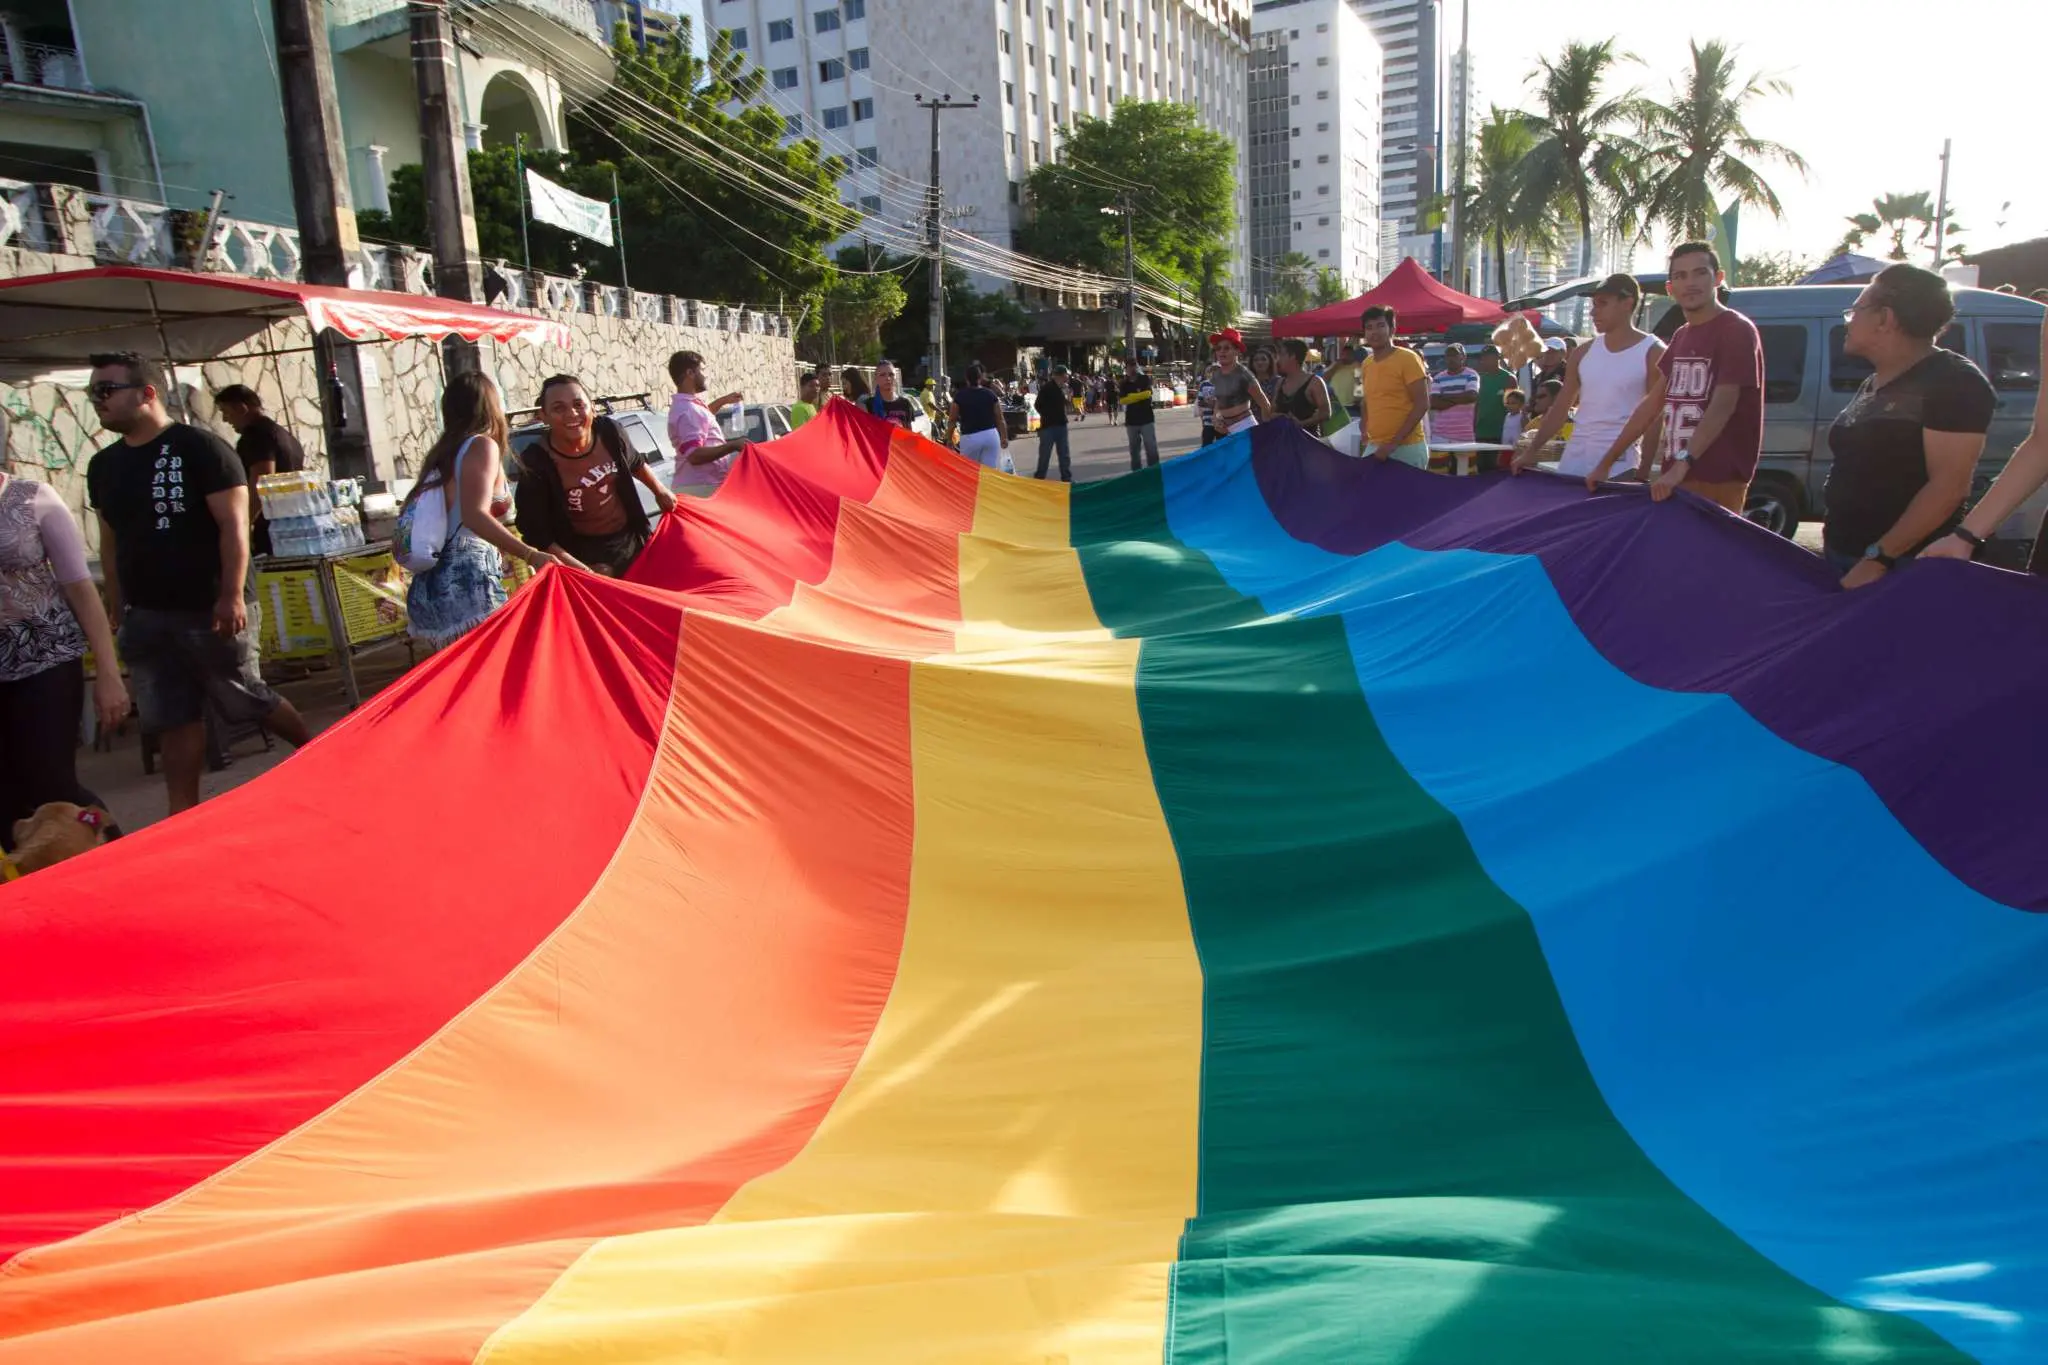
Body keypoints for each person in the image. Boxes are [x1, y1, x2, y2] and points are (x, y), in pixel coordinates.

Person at [84, 350, 311, 816]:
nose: (98, 401)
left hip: (208, 606)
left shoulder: (201, 449)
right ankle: (181, 812)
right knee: (171, 715)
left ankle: (318, 755)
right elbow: (110, 539)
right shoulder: (104, 465)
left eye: (106, 391)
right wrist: (116, 600)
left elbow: (234, 526)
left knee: (247, 694)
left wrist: (231, 594)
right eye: (93, 393)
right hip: (145, 613)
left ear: (147, 394)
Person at [1819, 263, 1994, 589]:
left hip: (1900, 569)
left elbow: (1948, 488)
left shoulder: (1954, 382)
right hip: (1845, 554)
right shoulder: (1876, 379)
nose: (1848, 320)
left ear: (1885, 319)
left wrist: (1879, 558)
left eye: (1855, 310)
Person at [0, 414, 127, 850]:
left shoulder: (31, 498)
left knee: (51, 786)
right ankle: (29, 892)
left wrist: (108, 673)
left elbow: (80, 588)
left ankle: (114, 848)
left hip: (46, 660)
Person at [1603, 242, 1765, 512]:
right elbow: (1652, 404)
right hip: (1676, 478)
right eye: (1680, 276)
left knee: (1709, 554)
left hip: (1718, 478)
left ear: (1718, 278)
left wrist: (1682, 464)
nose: (1690, 283)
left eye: (1700, 273)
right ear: (1670, 288)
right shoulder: (1681, 335)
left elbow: (1724, 404)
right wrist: (1605, 462)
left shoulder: (1736, 329)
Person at [405, 372, 558, 651]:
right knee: (493, 674)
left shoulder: (444, 454)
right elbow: (474, 515)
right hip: (467, 582)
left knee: (464, 679)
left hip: (431, 586)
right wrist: (530, 554)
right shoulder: (481, 446)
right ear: (492, 405)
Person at [1515, 273, 1664, 489]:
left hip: (1620, 468)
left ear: (1627, 303)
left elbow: (1655, 418)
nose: (1594, 312)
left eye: (1603, 304)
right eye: (1594, 304)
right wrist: (1531, 452)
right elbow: (1560, 408)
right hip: (1574, 462)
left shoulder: (1653, 352)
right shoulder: (1582, 353)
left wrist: (1643, 472)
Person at [516, 375, 674, 578]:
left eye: (578, 404)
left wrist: (660, 491)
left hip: (631, 541)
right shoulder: (536, 462)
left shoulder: (609, 432)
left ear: (592, 407)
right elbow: (535, 533)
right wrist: (584, 572)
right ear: (543, 416)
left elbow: (635, 462)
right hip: (581, 555)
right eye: (558, 408)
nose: (571, 414)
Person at [212, 384, 305, 556]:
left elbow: (262, 483)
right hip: (294, 525)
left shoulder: (256, 436)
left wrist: (244, 524)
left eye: (226, 412)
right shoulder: (282, 434)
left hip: (271, 529)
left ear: (241, 408)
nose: (225, 419)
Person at [1356, 306, 1431, 466]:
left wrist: (1392, 444)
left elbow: (1422, 404)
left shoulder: (1408, 359)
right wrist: (1364, 429)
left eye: (1380, 325)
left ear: (1392, 329)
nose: (1374, 332)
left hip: (1407, 449)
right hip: (1375, 447)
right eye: (1369, 327)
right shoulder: (1366, 364)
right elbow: (1366, 400)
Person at [667, 350, 749, 494]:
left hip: (702, 485)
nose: (705, 376)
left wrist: (724, 400)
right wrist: (733, 445)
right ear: (690, 373)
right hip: (701, 487)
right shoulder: (688, 410)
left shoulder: (689, 406)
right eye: (702, 370)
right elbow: (694, 455)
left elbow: (703, 419)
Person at [1208, 328, 1273, 435]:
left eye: (1226, 348)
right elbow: (1219, 401)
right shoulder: (1217, 375)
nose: (1221, 351)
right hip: (1227, 431)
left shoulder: (1244, 375)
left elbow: (1265, 405)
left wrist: (1266, 432)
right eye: (1218, 348)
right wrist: (1216, 419)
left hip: (1246, 427)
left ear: (1237, 351)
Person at [952, 362, 1012, 471]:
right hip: (990, 436)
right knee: (990, 472)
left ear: (966, 378)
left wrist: (948, 438)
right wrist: (1004, 436)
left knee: (969, 471)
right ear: (980, 378)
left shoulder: (960, 396)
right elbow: (1000, 418)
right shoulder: (990, 394)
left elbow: (952, 419)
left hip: (970, 438)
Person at [1271, 338, 1333, 435]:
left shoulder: (1315, 382)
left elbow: (1326, 413)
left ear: (1292, 356)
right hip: (1283, 441)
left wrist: (1301, 424)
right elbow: (1272, 412)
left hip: (1307, 442)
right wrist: (1281, 416)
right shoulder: (1280, 382)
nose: (1278, 359)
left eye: (1282, 354)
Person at [1428, 343, 1481, 446]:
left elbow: (1472, 396)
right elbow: (1434, 403)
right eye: (1448, 355)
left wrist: (1444, 397)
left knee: (1466, 462)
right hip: (1440, 435)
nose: (1451, 358)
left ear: (1463, 357)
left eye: (1455, 355)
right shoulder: (1438, 377)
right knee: (1440, 462)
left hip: (1464, 435)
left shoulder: (1471, 374)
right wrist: (1462, 397)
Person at [1120, 358, 1161, 469]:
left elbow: (1148, 394)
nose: (1132, 368)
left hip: (1146, 419)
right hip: (1131, 421)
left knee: (1151, 448)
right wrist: (1139, 396)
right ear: (1126, 368)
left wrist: (1131, 397)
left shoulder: (1144, 379)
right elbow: (1122, 400)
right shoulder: (1124, 383)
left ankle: (1154, 471)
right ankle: (1136, 474)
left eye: (1134, 366)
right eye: (1130, 366)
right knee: (1134, 450)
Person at [1034, 367, 1072, 481]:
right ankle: (1040, 478)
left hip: (1061, 425)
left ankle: (1066, 478)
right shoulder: (1047, 388)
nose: (1067, 377)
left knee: (1064, 454)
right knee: (1045, 455)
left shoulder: (1063, 388)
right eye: (1066, 375)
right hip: (1048, 427)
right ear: (1060, 375)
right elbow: (1037, 405)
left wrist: (1067, 397)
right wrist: (1048, 415)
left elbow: (1066, 404)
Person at [1471, 347, 1513, 453]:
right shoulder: (1478, 379)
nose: (1484, 361)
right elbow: (1476, 405)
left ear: (1498, 358)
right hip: (1481, 432)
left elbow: (1514, 406)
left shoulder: (1509, 378)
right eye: (1483, 358)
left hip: (1501, 432)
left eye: (1488, 357)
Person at [862, 359, 922, 430]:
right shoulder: (868, 405)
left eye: (891, 374)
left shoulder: (905, 404)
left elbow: (909, 433)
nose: (888, 378)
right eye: (882, 375)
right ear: (876, 379)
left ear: (895, 378)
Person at [1327, 343, 1362, 422]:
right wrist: (1335, 366)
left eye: (1348, 354)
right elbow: (1324, 378)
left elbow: (1359, 382)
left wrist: (1358, 398)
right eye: (1343, 354)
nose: (1345, 356)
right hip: (1335, 405)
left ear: (1353, 355)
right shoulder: (1335, 365)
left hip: (1350, 406)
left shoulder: (1357, 366)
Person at [1196, 366, 1220, 446]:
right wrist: (1211, 404)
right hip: (1207, 422)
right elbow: (1200, 402)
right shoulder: (1204, 384)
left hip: (1221, 423)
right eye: (1211, 372)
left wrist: (1213, 404)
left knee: (1222, 446)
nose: (1213, 374)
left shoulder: (1224, 384)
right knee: (1206, 446)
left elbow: (1224, 403)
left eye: (1216, 371)